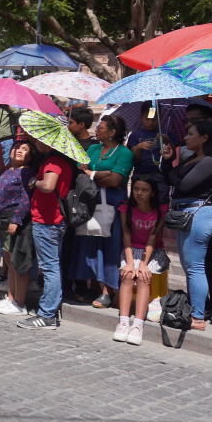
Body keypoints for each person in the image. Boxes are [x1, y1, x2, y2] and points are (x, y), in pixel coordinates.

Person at [162, 120, 212, 331]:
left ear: (204, 138)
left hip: (198, 215)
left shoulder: (209, 162)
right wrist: (168, 162)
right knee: (189, 266)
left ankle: (197, 317)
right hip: (186, 215)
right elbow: (170, 179)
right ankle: (199, 309)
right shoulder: (191, 159)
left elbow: (184, 184)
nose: (185, 138)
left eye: (190, 134)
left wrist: (174, 172)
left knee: (195, 267)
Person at [72, 115, 132, 309]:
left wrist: (91, 173)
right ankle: (93, 285)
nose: (96, 130)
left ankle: (108, 289)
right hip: (91, 200)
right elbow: (81, 171)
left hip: (113, 202)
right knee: (90, 242)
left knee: (109, 244)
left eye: (101, 127)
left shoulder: (124, 153)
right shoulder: (93, 149)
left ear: (112, 132)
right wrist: (102, 174)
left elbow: (116, 181)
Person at [17, 139, 73, 331]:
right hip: (52, 220)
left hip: (48, 220)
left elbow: (48, 186)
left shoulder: (53, 161)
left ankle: (47, 315)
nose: (36, 142)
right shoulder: (62, 160)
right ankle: (50, 310)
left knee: (50, 267)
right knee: (53, 266)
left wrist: (35, 182)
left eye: (38, 140)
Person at [113, 176, 168, 346]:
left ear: (152, 193)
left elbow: (153, 236)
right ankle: (123, 321)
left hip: (153, 250)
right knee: (128, 276)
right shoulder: (126, 207)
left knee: (143, 278)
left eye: (144, 190)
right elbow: (126, 234)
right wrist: (130, 263)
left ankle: (138, 324)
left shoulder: (161, 210)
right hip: (131, 249)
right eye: (136, 189)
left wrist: (143, 264)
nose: (139, 193)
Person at [0, 141, 37, 316]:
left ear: (30, 156)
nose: (19, 151)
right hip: (2, 219)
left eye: (25, 149)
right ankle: (11, 298)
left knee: (18, 263)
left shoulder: (27, 172)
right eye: (17, 148)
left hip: (14, 220)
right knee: (9, 261)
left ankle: (19, 303)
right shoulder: (9, 170)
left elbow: (26, 198)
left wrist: (16, 219)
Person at [127, 101, 167, 198]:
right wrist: (138, 148)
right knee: (139, 200)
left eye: (154, 119)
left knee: (161, 200)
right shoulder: (135, 135)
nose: (150, 122)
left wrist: (167, 141)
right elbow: (136, 160)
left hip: (161, 174)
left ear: (160, 117)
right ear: (141, 117)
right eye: (147, 119)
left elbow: (172, 157)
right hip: (141, 174)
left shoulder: (166, 133)